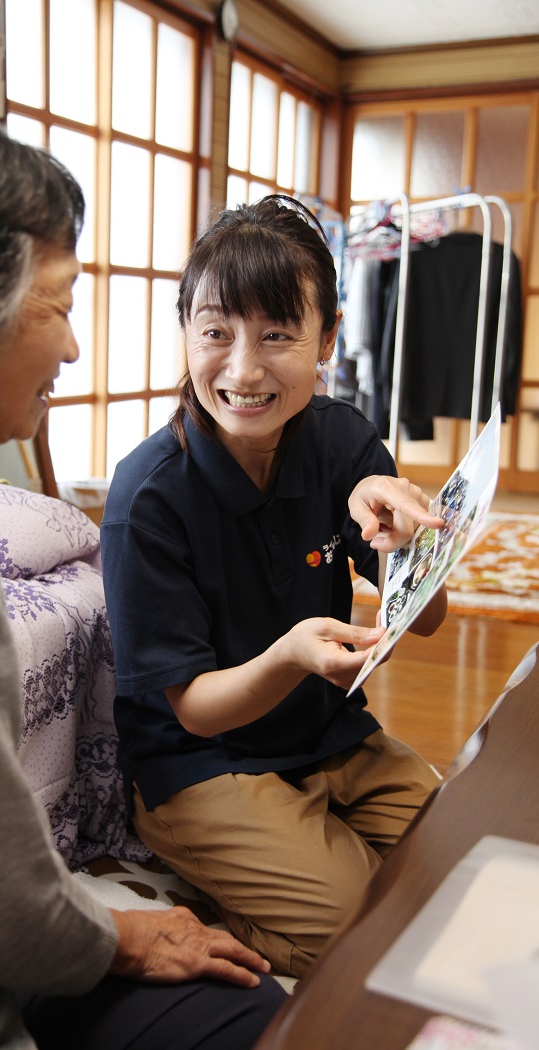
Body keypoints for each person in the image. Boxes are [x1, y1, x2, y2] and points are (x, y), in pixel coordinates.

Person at [0, 97, 287, 1050]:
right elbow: (11, 917)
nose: (75, 346)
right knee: (255, 1012)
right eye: (59, 302)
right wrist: (130, 936)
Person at [100, 194, 448, 980]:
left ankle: (311, 855)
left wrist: (406, 553)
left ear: (327, 338)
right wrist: (291, 656)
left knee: (465, 866)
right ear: (186, 330)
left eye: (278, 335)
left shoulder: (341, 438)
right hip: (203, 769)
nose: (244, 369)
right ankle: (228, 911)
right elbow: (190, 708)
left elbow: (425, 624)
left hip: (332, 739)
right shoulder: (148, 496)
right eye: (216, 332)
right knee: (370, 928)